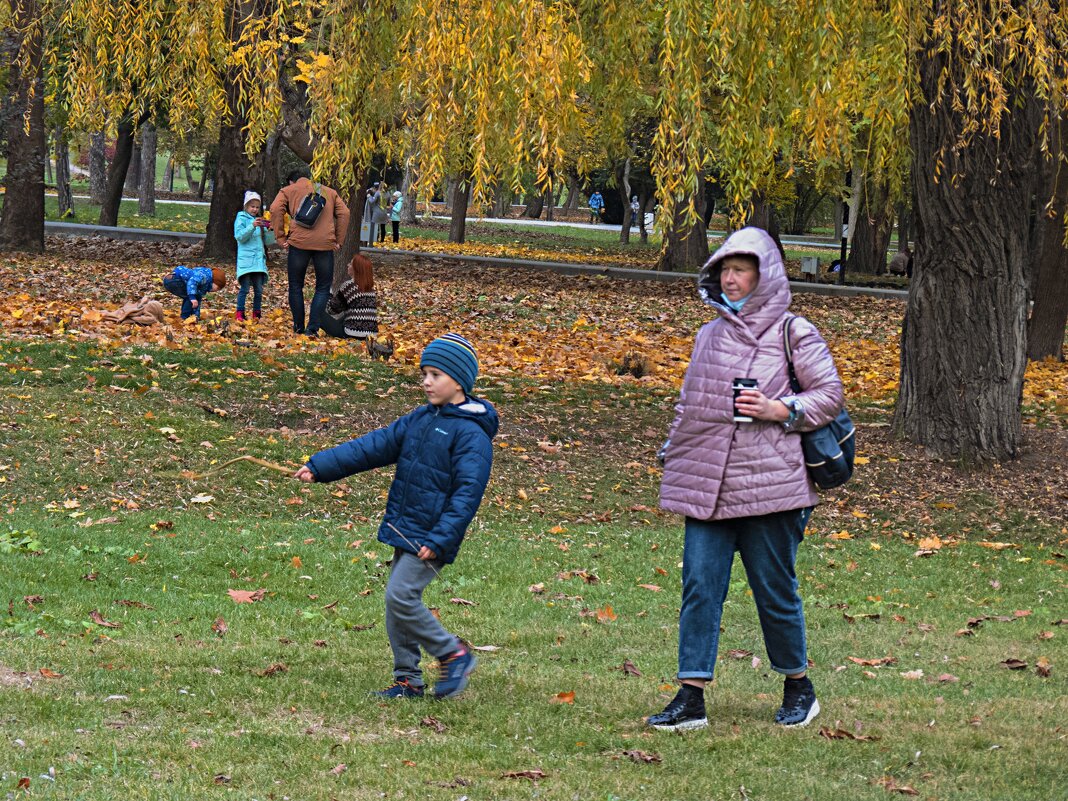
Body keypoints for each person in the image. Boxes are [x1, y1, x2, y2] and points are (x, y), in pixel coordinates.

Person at [648, 226, 845, 732]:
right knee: (699, 586)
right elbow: (690, 404)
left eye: (740, 270)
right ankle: (691, 697)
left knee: (774, 590)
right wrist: (673, 450)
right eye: (724, 271)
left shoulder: (793, 331)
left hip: (771, 485)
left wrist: (780, 408)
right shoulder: (708, 334)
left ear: (766, 274)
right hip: (706, 482)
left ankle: (799, 686)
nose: (730, 279)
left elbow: (829, 395)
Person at [294, 334, 498, 700]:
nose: (426, 381)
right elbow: (373, 446)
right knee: (396, 603)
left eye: (435, 374)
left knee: (401, 597)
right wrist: (320, 466)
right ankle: (408, 680)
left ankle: (453, 653)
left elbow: (467, 495)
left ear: (459, 381)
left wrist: (440, 540)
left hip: (432, 537)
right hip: (407, 527)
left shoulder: (471, 435)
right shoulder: (420, 420)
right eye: (424, 373)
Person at [269, 170, 350, 336]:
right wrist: (339, 240)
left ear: (292, 181)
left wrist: (280, 237)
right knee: (322, 287)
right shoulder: (330, 192)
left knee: (296, 285)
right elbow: (345, 213)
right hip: (325, 245)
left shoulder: (288, 190)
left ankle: (298, 327)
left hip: (298, 243)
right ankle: (312, 329)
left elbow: (275, 209)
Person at [233, 190, 274, 321]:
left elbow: (268, 242)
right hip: (246, 260)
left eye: (257, 207)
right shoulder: (241, 218)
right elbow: (240, 237)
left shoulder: (259, 221)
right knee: (244, 289)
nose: (255, 209)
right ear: (246, 206)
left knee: (259, 290)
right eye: (252, 206)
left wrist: (269, 230)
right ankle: (240, 312)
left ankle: (256, 313)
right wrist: (252, 226)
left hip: (258, 262)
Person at [321, 253, 379, 339]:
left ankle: (310, 331)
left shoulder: (349, 286)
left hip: (352, 334)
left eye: (351, 264)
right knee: (348, 315)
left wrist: (329, 288)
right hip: (370, 336)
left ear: (356, 269)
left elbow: (331, 310)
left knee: (316, 311)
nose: (348, 265)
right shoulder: (371, 289)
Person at [161, 265, 226, 321]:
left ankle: (189, 317)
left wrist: (196, 316)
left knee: (193, 297)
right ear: (215, 281)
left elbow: (198, 300)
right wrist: (192, 297)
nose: (216, 290)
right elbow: (192, 282)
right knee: (190, 298)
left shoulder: (203, 286)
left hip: (176, 281)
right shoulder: (204, 276)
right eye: (217, 288)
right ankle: (184, 317)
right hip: (174, 280)